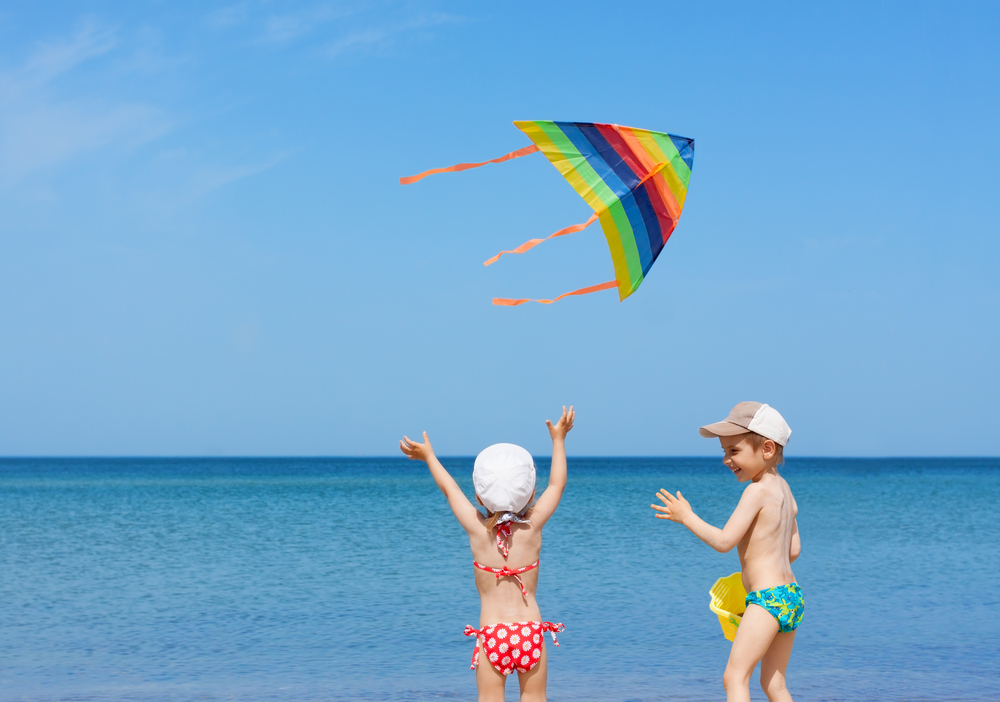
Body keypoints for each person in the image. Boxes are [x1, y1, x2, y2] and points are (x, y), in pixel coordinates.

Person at [399, 406, 574, 702]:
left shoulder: (478, 531)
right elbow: (557, 485)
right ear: (530, 493)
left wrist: (429, 457)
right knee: (535, 698)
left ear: (480, 496)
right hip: (529, 632)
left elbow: (450, 490)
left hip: (492, 633)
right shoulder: (532, 527)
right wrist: (559, 440)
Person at [651, 402, 802, 702]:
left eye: (734, 451)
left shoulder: (755, 491)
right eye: (724, 451)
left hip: (768, 600)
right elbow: (794, 550)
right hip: (791, 595)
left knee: (734, 678)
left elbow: (724, 542)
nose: (725, 459)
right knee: (775, 684)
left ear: (767, 449)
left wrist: (687, 517)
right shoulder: (784, 490)